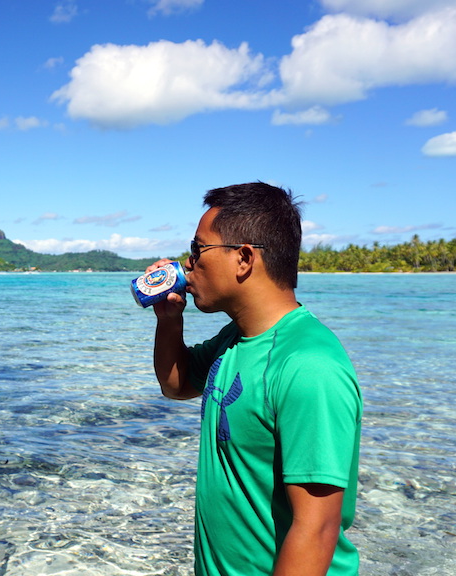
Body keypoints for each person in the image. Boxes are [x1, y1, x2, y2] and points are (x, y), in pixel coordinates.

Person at [149, 182, 361, 576]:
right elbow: (176, 385)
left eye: (198, 250)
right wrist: (169, 319)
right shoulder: (236, 339)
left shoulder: (308, 366)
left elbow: (317, 527)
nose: (187, 264)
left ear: (244, 258)